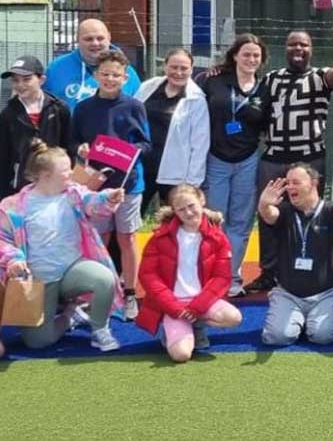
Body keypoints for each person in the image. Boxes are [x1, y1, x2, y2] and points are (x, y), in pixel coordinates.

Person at [248, 22, 333, 295]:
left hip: (309, 159)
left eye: (303, 45)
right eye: (293, 44)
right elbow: (255, 108)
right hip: (274, 158)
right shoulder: (271, 79)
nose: (298, 49)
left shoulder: (320, 77)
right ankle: (269, 271)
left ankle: (317, 268)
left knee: (312, 215)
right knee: (268, 214)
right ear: (286, 48)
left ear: (311, 50)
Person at [0, 139, 124, 351]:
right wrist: (15, 259)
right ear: (46, 176)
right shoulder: (12, 206)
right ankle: (69, 316)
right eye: (65, 171)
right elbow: (3, 239)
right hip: (38, 280)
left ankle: (100, 330)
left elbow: (94, 201)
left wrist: (108, 197)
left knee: (104, 278)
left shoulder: (73, 193)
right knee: (37, 342)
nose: (71, 174)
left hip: (72, 269)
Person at [70, 49, 151, 318]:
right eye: (105, 74)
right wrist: (80, 148)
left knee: (126, 237)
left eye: (116, 75)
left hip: (128, 183)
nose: (110, 79)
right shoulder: (83, 108)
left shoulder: (134, 106)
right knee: (100, 238)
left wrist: (122, 150)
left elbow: (146, 144)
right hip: (95, 184)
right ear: (96, 76)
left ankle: (130, 294)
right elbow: (73, 141)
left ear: (125, 77)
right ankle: (100, 292)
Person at [257, 164, 333, 346]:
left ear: (313, 183)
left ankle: (311, 318)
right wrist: (264, 203)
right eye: (288, 183)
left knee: (323, 337)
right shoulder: (285, 211)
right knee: (277, 338)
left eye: (296, 182)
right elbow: (269, 215)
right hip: (289, 293)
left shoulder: (331, 210)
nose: (290, 187)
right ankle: (296, 318)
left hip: (326, 293)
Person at [135, 184, 242, 363]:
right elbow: (148, 276)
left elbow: (221, 278)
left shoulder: (218, 237)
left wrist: (197, 307)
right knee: (181, 355)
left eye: (191, 206)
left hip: (201, 302)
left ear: (201, 200)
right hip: (174, 303)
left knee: (234, 317)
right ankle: (173, 328)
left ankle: (196, 325)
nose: (189, 213)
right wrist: (173, 307)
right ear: (174, 211)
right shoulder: (159, 238)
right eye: (181, 209)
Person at [198, 34, 270, 297]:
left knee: (240, 223)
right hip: (216, 159)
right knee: (214, 220)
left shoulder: (264, 88)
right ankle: (211, 275)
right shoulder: (213, 79)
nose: (251, 59)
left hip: (247, 160)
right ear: (235, 55)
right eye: (246, 54)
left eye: (256, 55)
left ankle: (232, 276)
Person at [133, 48, 210, 214]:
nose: (178, 72)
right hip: (142, 166)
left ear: (191, 69)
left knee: (176, 224)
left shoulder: (197, 99)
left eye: (184, 68)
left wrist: (192, 183)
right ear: (165, 66)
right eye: (174, 67)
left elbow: (200, 144)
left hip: (175, 173)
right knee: (131, 220)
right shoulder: (148, 87)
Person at [0, 56, 71, 199]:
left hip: (54, 184)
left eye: (26, 79)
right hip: (19, 188)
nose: (20, 84)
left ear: (41, 80)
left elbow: (68, 146)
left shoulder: (59, 109)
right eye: (16, 80)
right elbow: (3, 156)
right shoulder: (8, 114)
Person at [44, 18, 141, 111]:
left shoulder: (127, 72)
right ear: (77, 40)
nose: (95, 43)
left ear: (109, 37)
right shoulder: (56, 69)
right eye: (88, 39)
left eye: (100, 38)